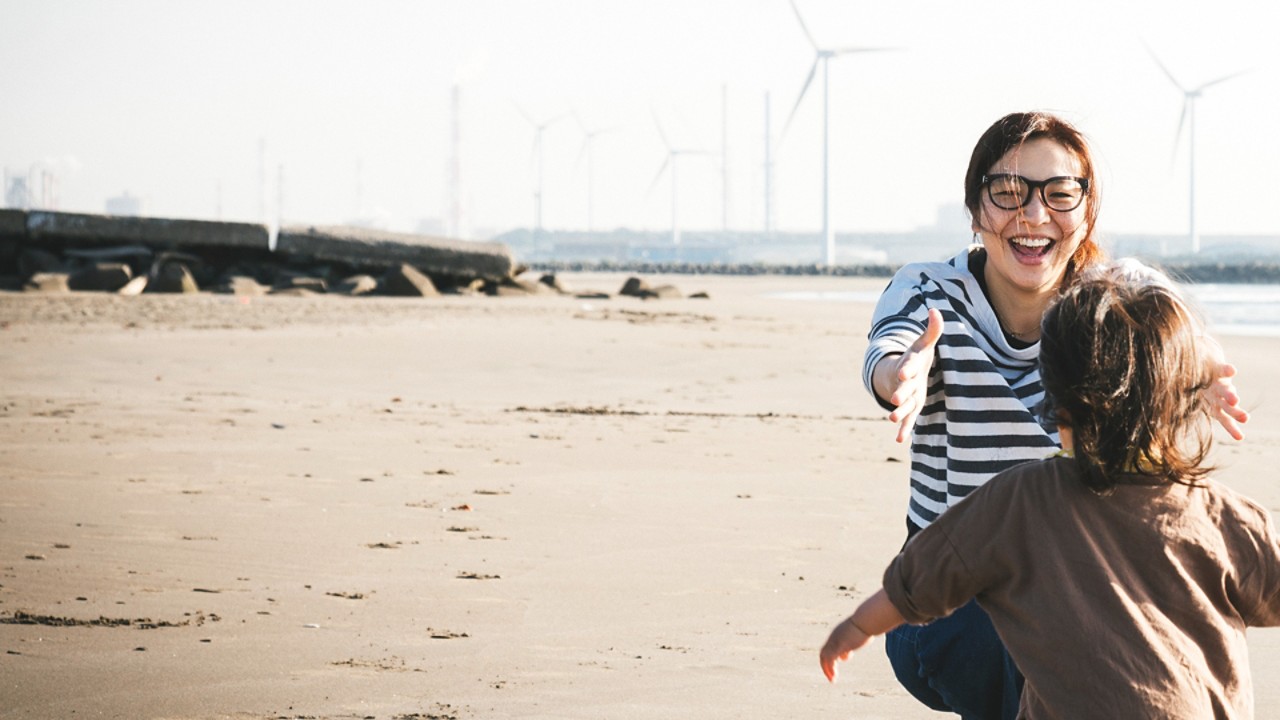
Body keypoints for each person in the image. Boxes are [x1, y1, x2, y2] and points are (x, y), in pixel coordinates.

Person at [860, 111, 1250, 718]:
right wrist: (902, 375)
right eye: (1008, 192)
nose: (1035, 215)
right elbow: (889, 350)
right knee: (1031, 643)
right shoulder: (928, 291)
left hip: (1084, 583)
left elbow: (1178, 328)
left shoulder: (1112, 297)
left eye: (1060, 194)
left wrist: (1199, 371)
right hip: (948, 604)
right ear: (974, 210)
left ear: (1088, 211)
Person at [820, 263, 1280, 718]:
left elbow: (924, 574)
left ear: (1056, 404)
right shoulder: (1221, 513)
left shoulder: (1024, 496)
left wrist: (858, 626)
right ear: (1182, 405)